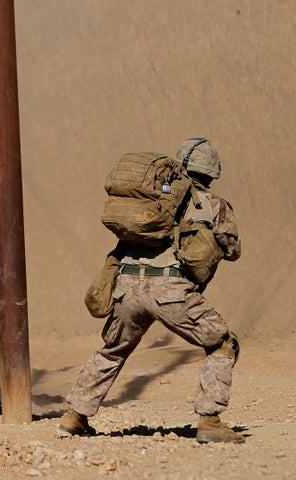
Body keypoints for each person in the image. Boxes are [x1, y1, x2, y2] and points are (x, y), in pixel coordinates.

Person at [60, 138, 244, 444]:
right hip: (171, 290)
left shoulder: (153, 199)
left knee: (113, 350)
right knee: (223, 343)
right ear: (211, 171)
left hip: (127, 286)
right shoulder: (214, 204)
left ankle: (74, 416)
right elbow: (233, 250)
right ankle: (210, 420)